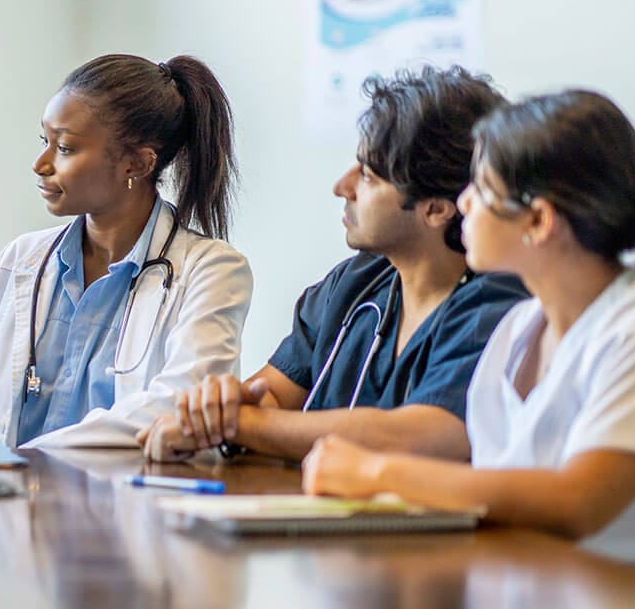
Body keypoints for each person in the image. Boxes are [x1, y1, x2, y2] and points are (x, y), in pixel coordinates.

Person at [304, 90, 635, 562]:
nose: (464, 202)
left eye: (483, 189)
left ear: (538, 221)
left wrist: (375, 473)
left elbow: (576, 502)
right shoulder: (517, 329)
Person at [140, 66, 527, 463]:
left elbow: (429, 434)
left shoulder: (497, 304)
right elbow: (274, 394)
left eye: (370, 177)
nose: (342, 186)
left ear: (435, 209)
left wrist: (239, 425)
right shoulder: (356, 281)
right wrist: (223, 408)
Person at [0, 54, 253, 448]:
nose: (40, 164)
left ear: (136, 163)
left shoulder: (212, 272)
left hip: (127, 505)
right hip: (13, 504)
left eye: (64, 148)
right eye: (44, 141)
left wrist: (23, 460)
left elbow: (178, 409)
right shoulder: (21, 261)